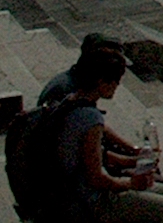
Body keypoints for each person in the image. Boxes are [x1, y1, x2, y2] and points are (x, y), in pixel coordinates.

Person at [53, 47, 163, 223]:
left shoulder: (71, 102)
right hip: (95, 201)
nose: (117, 86)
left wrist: (133, 159)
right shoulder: (91, 120)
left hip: (77, 192)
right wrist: (131, 184)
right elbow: (96, 178)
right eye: (116, 80)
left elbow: (92, 156)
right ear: (102, 82)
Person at [37, 35, 143, 172]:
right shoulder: (72, 96)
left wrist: (133, 149)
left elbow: (95, 128)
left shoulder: (78, 87)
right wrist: (133, 162)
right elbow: (87, 156)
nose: (117, 84)